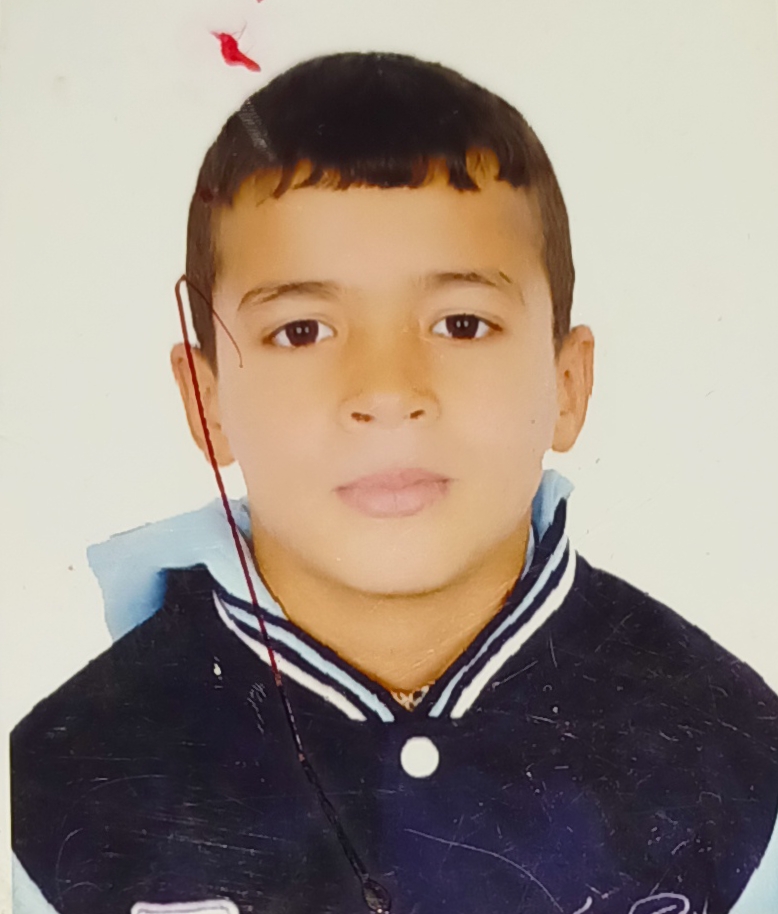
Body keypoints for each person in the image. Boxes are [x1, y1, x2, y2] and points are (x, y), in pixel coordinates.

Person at [11, 52, 778, 914]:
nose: (386, 392)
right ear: (206, 401)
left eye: (462, 323)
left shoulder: (737, 761)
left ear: (568, 385)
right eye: (302, 331)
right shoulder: (57, 786)